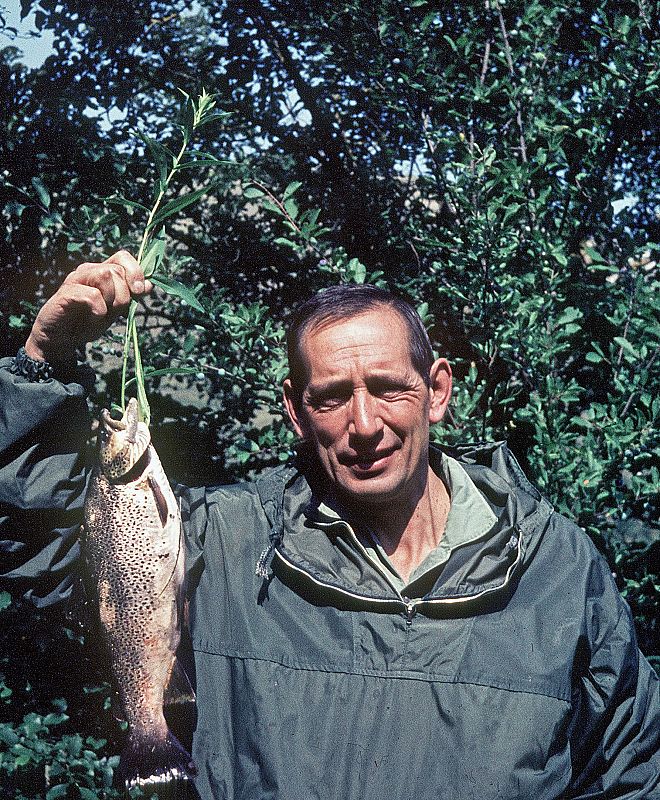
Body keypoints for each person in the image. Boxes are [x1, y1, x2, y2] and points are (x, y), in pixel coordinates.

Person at [1, 251, 658, 799]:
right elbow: (47, 558)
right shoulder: (226, 544)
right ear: (295, 410)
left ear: (438, 390)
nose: (365, 424)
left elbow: (631, 774)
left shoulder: (555, 567)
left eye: (388, 387)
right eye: (333, 396)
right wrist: (44, 358)